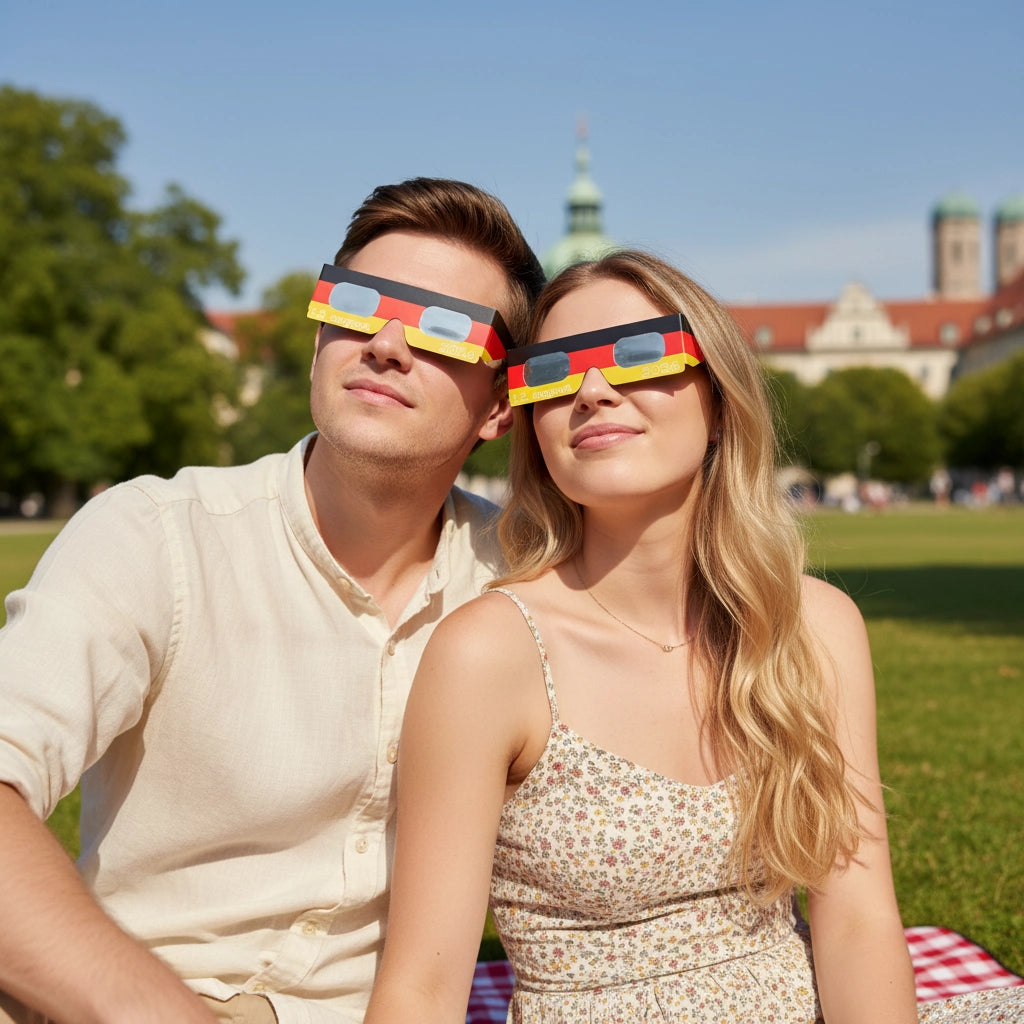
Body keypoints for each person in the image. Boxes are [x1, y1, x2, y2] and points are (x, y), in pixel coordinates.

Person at [364, 250, 1024, 1023]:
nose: (594, 390)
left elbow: (857, 919)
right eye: (551, 372)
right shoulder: (490, 653)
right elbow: (422, 984)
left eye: (639, 354)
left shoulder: (812, 627)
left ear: (718, 399)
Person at [0, 177, 545, 1024]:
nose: (388, 342)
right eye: (361, 303)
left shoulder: (526, 585)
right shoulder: (155, 538)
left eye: (445, 327)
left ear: (501, 407)